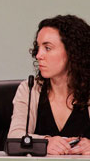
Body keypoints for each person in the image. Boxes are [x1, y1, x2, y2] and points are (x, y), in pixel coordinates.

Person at [8, 15, 90, 155]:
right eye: (38, 47)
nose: (38, 55)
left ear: (72, 52)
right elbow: (14, 136)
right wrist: (45, 142)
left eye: (47, 48)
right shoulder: (30, 88)